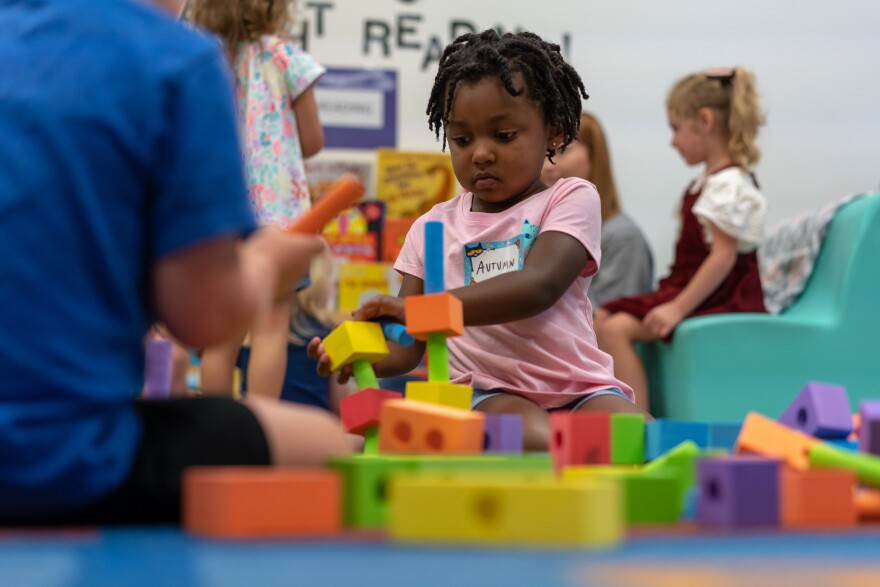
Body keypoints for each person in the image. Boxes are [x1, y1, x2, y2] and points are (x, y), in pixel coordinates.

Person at [0, 0, 349, 525]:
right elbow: (204, 316)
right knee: (328, 444)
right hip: (62, 459)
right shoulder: (175, 60)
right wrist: (263, 265)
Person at [309, 30, 647, 451]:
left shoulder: (570, 198)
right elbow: (410, 347)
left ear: (554, 133)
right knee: (529, 436)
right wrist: (358, 351)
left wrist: (421, 309)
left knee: (642, 436)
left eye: (504, 136)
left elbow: (538, 286)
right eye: (462, 139)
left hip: (582, 389)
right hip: (490, 392)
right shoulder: (431, 229)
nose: (480, 154)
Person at [594, 67, 768, 412]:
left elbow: (723, 258)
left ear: (705, 121)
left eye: (676, 129)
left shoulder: (729, 186)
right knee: (603, 318)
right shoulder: (706, 183)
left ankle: (638, 421)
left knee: (615, 329)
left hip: (722, 294)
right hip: (691, 286)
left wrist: (677, 307)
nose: (672, 141)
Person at [189, 0, 326, 400]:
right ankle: (259, 423)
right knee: (271, 326)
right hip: (279, 218)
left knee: (224, 329)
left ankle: (215, 423)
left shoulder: (203, 57)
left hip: (222, 211)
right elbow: (312, 141)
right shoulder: (284, 55)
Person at [541, 112, 654, 308]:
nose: (549, 165)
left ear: (594, 156)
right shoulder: (533, 228)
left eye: (563, 151)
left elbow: (610, 318)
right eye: (544, 153)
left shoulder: (622, 237)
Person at [238, 244, 355, 413]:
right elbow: (340, 405)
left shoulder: (248, 333)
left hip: (252, 422)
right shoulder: (329, 332)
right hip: (313, 425)